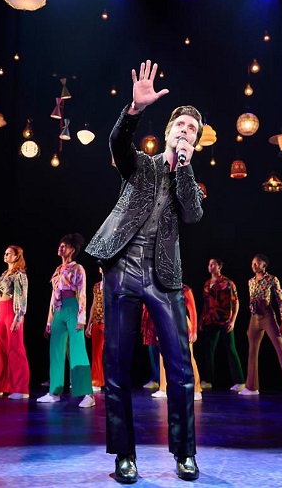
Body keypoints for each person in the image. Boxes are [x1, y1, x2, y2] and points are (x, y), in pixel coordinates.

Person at [86, 59, 203, 482]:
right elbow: (118, 142)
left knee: (181, 368)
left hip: (164, 278)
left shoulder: (188, 179)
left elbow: (192, 214)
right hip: (123, 269)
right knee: (117, 366)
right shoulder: (141, 165)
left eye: (192, 130)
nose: (185, 131)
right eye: (180, 126)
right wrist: (133, 110)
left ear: (196, 143)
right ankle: (124, 456)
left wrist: (185, 168)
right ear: (168, 132)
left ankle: (184, 454)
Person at [37, 233, 96, 408]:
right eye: (60, 245)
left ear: (72, 249)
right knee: (55, 351)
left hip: (72, 308)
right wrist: (49, 321)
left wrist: (81, 317)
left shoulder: (78, 268)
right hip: (59, 310)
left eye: (65, 245)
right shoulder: (57, 270)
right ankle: (54, 392)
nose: (61, 247)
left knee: (78, 350)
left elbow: (82, 293)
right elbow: (53, 297)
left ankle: (88, 394)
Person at [240, 253, 282, 400]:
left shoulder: (272, 279)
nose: (253, 265)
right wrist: (250, 323)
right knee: (252, 351)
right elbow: (251, 301)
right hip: (254, 317)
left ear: (264, 265)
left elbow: (281, 301)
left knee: (280, 349)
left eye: (257, 263)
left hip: (267, 315)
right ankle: (251, 387)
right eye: (252, 263)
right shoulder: (251, 281)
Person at [0, 245, 31, 400]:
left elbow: (22, 297)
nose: (5, 255)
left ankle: (21, 389)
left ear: (17, 257)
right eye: (5, 253)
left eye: (9, 253)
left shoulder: (19, 274)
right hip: (2, 313)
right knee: (0, 351)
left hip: (12, 312)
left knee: (15, 350)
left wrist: (18, 317)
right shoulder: (5, 274)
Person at [199, 258, 245, 391]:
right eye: (209, 264)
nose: (210, 266)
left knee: (231, 349)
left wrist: (233, 320)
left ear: (219, 266)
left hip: (225, 320)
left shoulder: (228, 283)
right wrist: (201, 320)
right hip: (210, 320)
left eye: (213, 264)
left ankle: (240, 381)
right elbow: (206, 304)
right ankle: (208, 380)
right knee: (208, 351)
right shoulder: (207, 283)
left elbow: (235, 302)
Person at [152, 284, 203, 402]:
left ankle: (196, 389)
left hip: (182, 322)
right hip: (166, 322)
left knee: (187, 355)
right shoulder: (162, 288)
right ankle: (164, 388)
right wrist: (157, 329)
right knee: (163, 355)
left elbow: (192, 310)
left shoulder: (185, 289)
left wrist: (193, 331)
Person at [85, 266, 105, 392]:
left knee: (107, 353)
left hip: (108, 323)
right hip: (97, 322)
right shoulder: (97, 286)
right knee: (96, 353)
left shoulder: (112, 285)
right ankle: (96, 380)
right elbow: (93, 305)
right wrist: (89, 324)